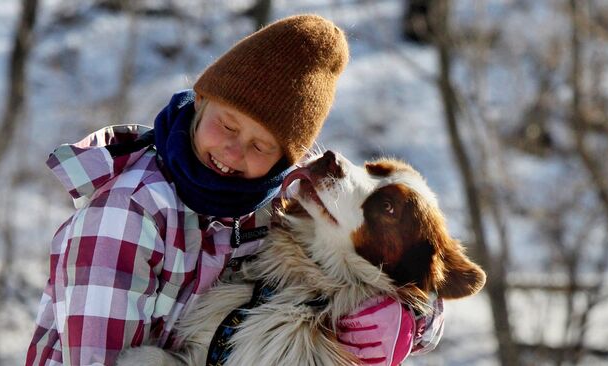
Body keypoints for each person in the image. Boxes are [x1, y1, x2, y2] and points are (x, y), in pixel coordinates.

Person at [26, 14, 443, 366]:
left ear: (283, 159)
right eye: (226, 125)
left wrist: (412, 319)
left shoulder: (280, 201)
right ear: (201, 99)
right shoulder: (126, 215)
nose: (233, 151)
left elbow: (414, 264)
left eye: (261, 145)